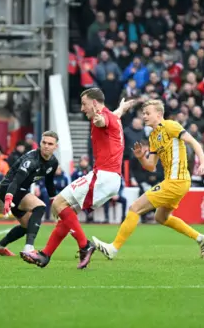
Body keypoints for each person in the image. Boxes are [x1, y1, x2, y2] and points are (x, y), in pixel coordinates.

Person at [20, 89, 136, 269]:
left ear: (95, 104)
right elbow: (113, 116)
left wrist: (98, 119)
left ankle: (84, 245)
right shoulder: (114, 117)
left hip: (103, 176)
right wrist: (122, 107)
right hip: (111, 178)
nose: (82, 109)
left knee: (58, 203)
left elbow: (101, 121)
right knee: (67, 214)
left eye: (84, 104)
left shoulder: (102, 118)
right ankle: (45, 255)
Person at [92, 99, 204, 260]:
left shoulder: (171, 126)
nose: (145, 116)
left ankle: (113, 248)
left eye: (148, 113)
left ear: (159, 114)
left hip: (177, 181)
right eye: (143, 114)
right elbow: (151, 166)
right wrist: (141, 157)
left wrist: (203, 162)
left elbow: (193, 142)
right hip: (174, 182)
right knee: (160, 217)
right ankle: (201, 238)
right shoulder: (154, 136)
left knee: (135, 207)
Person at [0, 131, 60, 256]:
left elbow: (49, 183)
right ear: (40, 143)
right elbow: (16, 181)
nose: (46, 146)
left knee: (28, 226)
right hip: (9, 189)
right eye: (44, 142)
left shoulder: (53, 162)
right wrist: (8, 198)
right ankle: (29, 248)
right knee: (40, 207)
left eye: (50, 144)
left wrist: (54, 202)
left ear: (56, 147)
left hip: (21, 191)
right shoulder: (31, 160)